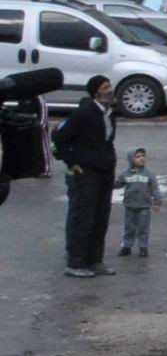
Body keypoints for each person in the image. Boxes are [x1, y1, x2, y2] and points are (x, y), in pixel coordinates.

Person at [52, 77, 117, 278]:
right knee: (83, 217)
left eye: (109, 86)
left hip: (105, 171)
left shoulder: (109, 113)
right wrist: (73, 162)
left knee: (101, 217)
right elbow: (60, 139)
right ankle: (76, 262)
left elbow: (105, 141)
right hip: (86, 172)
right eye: (105, 88)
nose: (110, 90)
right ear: (95, 92)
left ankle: (95, 260)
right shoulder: (84, 113)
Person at [117, 147, 160, 260]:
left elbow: (155, 188)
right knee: (129, 227)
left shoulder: (149, 174)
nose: (141, 158)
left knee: (143, 227)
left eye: (143, 156)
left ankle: (143, 247)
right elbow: (118, 183)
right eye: (138, 156)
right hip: (130, 205)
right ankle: (127, 246)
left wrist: (157, 202)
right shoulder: (126, 174)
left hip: (144, 206)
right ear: (131, 159)